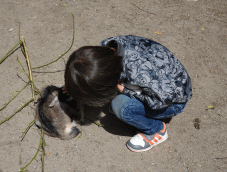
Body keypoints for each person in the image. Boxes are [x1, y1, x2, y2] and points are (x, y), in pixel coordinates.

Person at [64, 35, 192, 152]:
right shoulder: (109, 48)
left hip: (171, 101)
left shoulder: (138, 74)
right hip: (166, 77)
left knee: (121, 106)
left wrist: (125, 91)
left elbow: (159, 102)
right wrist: (77, 85)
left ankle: (156, 130)